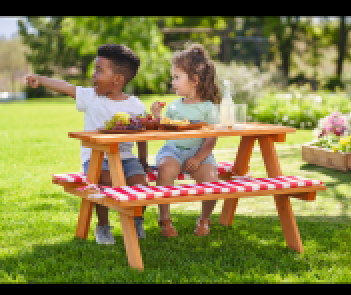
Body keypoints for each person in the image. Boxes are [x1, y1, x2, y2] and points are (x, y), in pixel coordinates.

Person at [26, 44, 150, 244]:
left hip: (126, 157)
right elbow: (65, 86)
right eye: (95, 69)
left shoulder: (135, 104)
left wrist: (143, 161)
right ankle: (103, 226)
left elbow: (142, 134)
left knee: (141, 184)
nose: (93, 75)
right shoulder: (91, 97)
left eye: (99, 70)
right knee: (106, 180)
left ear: (118, 79)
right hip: (96, 158)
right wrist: (40, 80)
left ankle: (137, 219)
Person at [151, 43, 221, 237]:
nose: (172, 82)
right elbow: (165, 129)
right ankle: (164, 219)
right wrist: (157, 117)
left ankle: (205, 219)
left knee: (211, 180)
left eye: (176, 77)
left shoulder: (208, 108)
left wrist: (198, 159)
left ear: (194, 80)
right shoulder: (174, 107)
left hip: (200, 153)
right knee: (165, 169)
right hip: (173, 150)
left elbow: (211, 139)